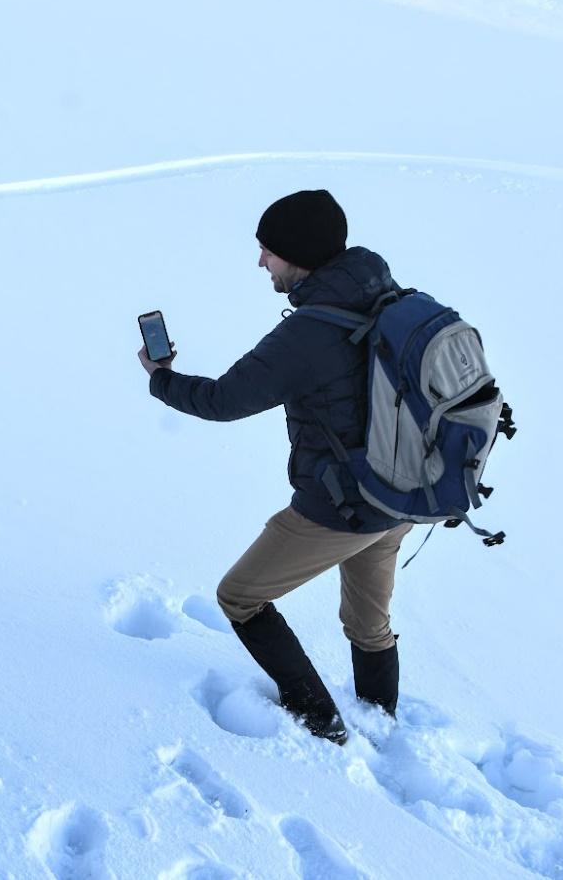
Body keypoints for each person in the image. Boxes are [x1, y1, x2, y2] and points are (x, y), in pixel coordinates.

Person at [138, 190, 413, 745]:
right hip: (403, 494)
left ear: (299, 254)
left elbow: (222, 401)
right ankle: (380, 724)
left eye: (268, 251)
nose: (261, 262)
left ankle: (322, 724)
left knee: (240, 595)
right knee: (368, 622)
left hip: (343, 507)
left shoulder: (309, 332)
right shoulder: (386, 294)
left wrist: (160, 377)